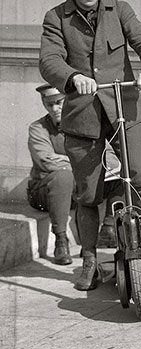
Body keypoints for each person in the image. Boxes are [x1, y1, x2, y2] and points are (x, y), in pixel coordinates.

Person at [38, 0, 141, 292]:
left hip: (124, 107)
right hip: (83, 115)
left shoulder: (119, 10)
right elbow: (49, 61)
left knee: (139, 175)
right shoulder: (56, 18)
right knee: (88, 193)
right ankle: (90, 258)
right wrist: (72, 76)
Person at [26, 85, 74, 265]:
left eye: (59, 103)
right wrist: (77, 162)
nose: (54, 109)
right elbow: (46, 161)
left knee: (121, 176)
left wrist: (63, 158)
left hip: (74, 190)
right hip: (42, 192)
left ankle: (108, 229)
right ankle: (61, 240)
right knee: (62, 176)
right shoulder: (38, 128)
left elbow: (107, 158)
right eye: (49, 104)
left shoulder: (81, 125)